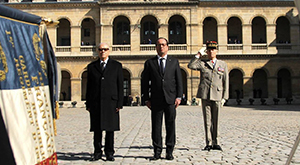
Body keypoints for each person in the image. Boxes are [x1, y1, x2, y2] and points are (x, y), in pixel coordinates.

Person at [142, 37, 183, 160]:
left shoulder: (174, 62)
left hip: (170, 99)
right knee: (156, 126)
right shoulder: (150, 63)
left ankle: (169, 150)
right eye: (159, 45)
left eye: (163, 45)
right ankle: (157, 151)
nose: (161, 47)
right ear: (156, 47)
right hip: (156, 99)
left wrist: (179, 96)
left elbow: (179, 81)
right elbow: (145, 82)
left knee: (171, 125)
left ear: (167, 47)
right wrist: (146, 98)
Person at [187, 41, 229, 151]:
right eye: (209, 50)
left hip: (218, 95)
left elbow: (226, 81)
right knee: (207, 120)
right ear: (207, 52)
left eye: (213, 50)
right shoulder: (203, 63)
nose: (211, 52)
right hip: (205, 95)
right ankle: (209, 142)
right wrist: (198, 55)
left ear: (216, 51)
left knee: (216, 120)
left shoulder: (222, 64)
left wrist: (225, 97)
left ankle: (217, 142)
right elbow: (190, 65)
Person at [86, 43, 124, 161]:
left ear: (109, 51)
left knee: (110, 129)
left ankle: (109, 153)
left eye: (105, 49)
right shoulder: (92, 66)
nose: (103, 51)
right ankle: (97, 152)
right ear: (98, 51)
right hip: (96, 102)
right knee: (97, 129)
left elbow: (120, 85)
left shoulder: (116, 66)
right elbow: (89, 86)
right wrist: (88, 103)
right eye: (101, 49)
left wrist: (119, 103)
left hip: (111, 102)